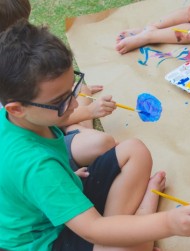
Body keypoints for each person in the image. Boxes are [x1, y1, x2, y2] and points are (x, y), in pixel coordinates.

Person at [0, 20, 190, 251]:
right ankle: (137, 223)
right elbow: (93, 229)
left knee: (134, 150)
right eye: (61, 101)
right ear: (17, 109)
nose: (74, 104)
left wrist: (64, 182)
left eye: (72, 89)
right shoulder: (37, 167)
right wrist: (168, 224)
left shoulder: (23, 118)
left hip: (57, 207)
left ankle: (125, 232)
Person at [0, 0, 117, 170]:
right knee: (102, 142)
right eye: (22, 26)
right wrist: (90, 111)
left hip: (48, 123)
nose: (29, 29)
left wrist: (69, 95)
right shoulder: (12, 86)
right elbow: (42, 117)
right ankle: (74, 130)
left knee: (82, 91)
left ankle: (73, 128)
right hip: (42, 140)